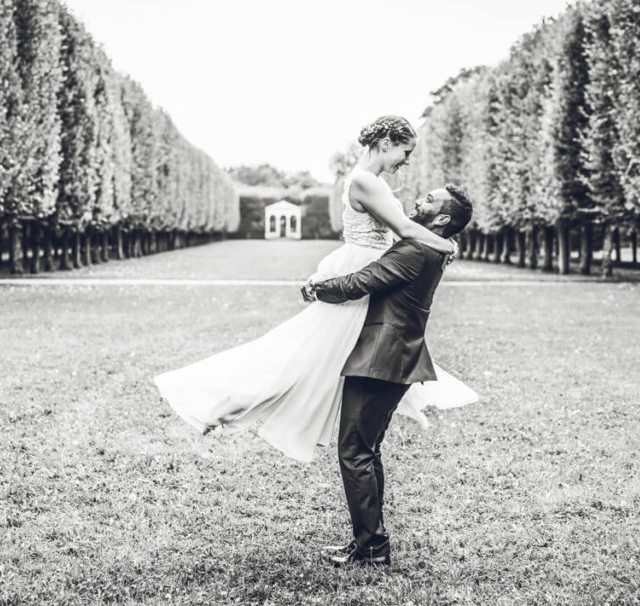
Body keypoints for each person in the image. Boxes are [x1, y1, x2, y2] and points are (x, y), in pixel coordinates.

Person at [153, 115, 477, 462]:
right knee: (304, 354)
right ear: (386, 144)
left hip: (369, 270)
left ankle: (234, 404)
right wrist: (449, 246)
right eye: (405, 151)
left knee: (317, 355)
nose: (407, 160)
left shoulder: (372, 181)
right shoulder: (367, 182)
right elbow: (403, 228)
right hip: (361, 272)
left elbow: (401, 233)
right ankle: (224, 401)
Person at [304, 186, 474, 566]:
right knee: (366, 449)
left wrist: (317, 288)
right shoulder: (430, 246)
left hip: (381, 359)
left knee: (354, 451)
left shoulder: (418, 249)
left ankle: (371, 548)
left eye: (430, 200)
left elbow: (361, 282)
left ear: (442, 218)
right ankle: (370, 543)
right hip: (392, 357)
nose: (419, 200)